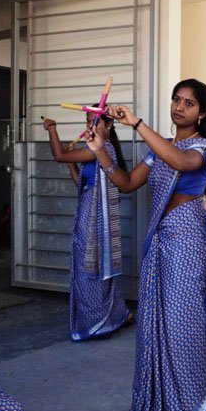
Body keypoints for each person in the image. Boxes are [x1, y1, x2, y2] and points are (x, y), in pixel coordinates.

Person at [87, 79, 206, 411]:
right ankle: (162, 396)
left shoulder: (202, 148)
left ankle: (191, 400)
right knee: (157, 322)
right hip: (159, 244)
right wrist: (100, 149)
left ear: (201, 113)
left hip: (187, 245)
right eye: (176, 99)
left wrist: (137, 124)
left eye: (188, 103)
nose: (179, 107)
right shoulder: (159, 148)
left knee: (182, 323)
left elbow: (181, 162)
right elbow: (127, 183)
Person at [41, 109, 131, 341]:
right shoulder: (96, 150)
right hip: (88, 213)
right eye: (88, 122)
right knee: (90, 267)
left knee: (90, 269)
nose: (91, 126)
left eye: (96, 122)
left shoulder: (101, 149)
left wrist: (52, 129)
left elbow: (59, 155)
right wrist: (72, 163)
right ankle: (117, 314)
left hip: (95, 220)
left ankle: (98, 323)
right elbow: (80, 183)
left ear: (108, 126)